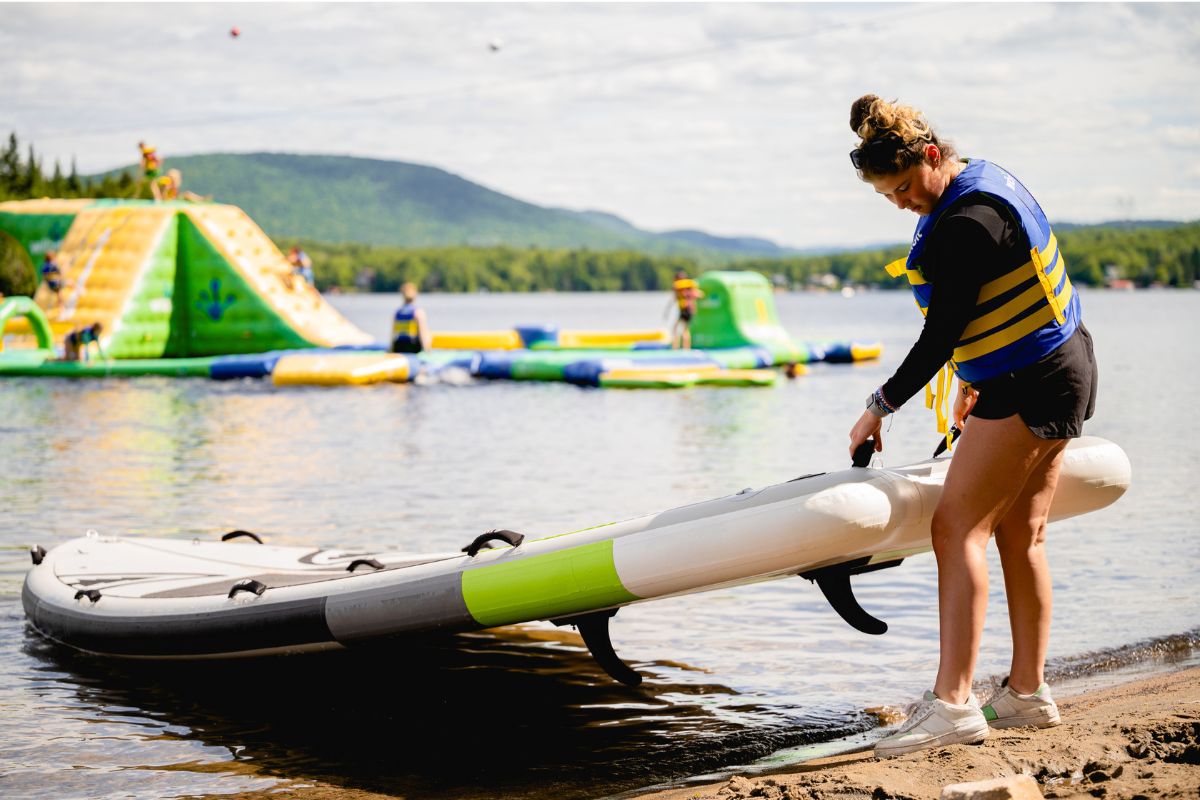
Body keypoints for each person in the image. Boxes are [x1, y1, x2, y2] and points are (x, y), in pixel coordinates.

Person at [844, 95, 1096, 759]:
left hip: (1031, 381)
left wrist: (878, 406)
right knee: (1022, 531)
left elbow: (941, 335)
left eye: (902, 187)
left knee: (957, 528)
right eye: (886, 196)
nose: (899, 203)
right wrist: (974, 377)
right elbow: (993, 306)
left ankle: (953, 703)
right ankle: (1026, 693)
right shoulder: (979, 183)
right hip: (1061, 367)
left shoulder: (967, 223)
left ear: (931, 156)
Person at [391, 282, 431, 354]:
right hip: (412, 346)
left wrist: (391, 349)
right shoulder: (417, 312)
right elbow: (421, 332)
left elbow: (393, 334)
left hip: (399, 346)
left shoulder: (397, 312)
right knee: (427, 332)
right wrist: (426, 349)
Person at [670, 270, 704, 349]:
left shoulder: (687, 288)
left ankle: (682, 348)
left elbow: (699, 294)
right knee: (679, 329)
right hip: (684, 311)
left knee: (682, 330)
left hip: (687, 311)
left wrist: (690, 296)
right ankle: (679, 347)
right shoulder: (681, 289)